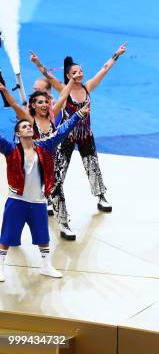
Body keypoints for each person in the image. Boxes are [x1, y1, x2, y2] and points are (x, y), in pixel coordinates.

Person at [30, 45, 127, 240]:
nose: (80, 74)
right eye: (75, 72)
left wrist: (116, 54)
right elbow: (48, 77)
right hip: (66, 137)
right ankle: (50, 199)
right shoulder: (63, 89)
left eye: (81, 71)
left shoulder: (87, 87)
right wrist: (38, 63)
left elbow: (104, 69)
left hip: (85, 136)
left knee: (93, 166)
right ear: (68, 76)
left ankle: (100, 196)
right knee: (59, 171)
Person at [0, 104, 90, 282]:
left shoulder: (45, 147)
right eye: (24, 126)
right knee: (7, 236)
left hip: (39, 202)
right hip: (17, 200)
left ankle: (46, 266)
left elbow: (62, 131)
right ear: (18, 134)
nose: (28, 127)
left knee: (43, 236)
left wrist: (78, 114)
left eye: (29, 126)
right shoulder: (11, 150)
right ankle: (0, 266)